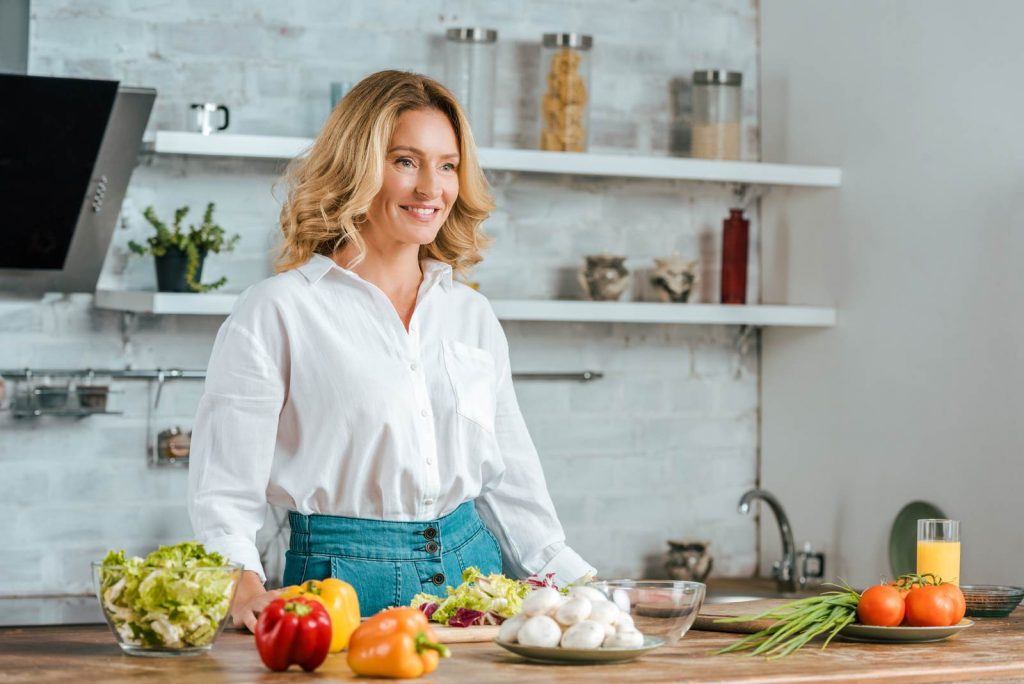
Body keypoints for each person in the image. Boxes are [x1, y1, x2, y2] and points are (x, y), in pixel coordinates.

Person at [187, 70, 595, 630]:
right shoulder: (277, 311)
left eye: (447, 166)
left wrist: (580, 583)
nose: (432, 188)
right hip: (340, 583)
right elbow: (225, 485)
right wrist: (239, 580)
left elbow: (509, 478)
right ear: (356, 167)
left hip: (477, 579)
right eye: (406, 161)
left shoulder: (470, 315)